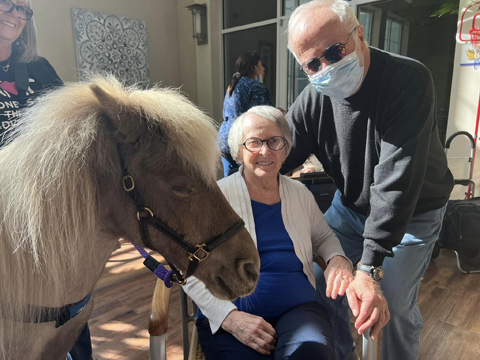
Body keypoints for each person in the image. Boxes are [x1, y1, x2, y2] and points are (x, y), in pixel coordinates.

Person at [284, 1, 454, 360]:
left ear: (359, 35)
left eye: (333, 52)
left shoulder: (408, 80)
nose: (325, 68)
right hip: (350, 207)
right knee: (321, 285)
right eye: (313, 64)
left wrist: (368, 269)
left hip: (412, 212)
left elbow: (396, 184)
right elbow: (280, 154)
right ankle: (339, 354)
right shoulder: (314, 99)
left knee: (388, 302)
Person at [184, 105, 353, 360]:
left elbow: (324, 238)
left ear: (285, 150)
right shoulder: (215, 198)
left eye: (275, 141)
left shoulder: (300, 194)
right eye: (254, 142)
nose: (265, 151)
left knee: (312, 355)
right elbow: (187, 267)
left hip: (299, 312)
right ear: (239, 152)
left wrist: (337, 258)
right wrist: (229, 317)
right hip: (234, 311)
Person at [0, 1, 91, 359]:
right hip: (5, 222)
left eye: (25, 10)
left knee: (71, 307)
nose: (16, 15)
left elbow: (70, 133)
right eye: (8, 3)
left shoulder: (39, 68)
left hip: (53, 218)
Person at [218, 51, 272, 177]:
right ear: (254, 68)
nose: (264, 69)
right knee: (246, 183)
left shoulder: (232, 86)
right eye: (261, 65)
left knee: (230, 184)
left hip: (224, 139)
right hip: (241, 140)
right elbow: (264, 117)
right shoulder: (256, 87)